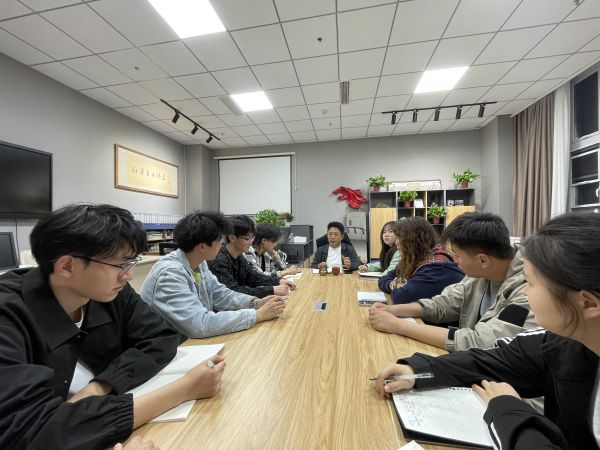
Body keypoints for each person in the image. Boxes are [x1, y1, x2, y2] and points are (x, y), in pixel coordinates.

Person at [0, 204, 225, 449]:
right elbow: (31, 431)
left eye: (131, 263)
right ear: (66, 266)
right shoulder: (9, 315)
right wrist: (183, 390)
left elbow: (163, 336)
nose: (128, 276)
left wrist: (101, 385)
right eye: (121, 265)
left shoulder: (110, 293)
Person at [375, 212, 600, 450]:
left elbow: (482, 343)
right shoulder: (562, 342)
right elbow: (493, 359)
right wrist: (418, 370)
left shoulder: (537, 314)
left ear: (588, 303)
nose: (526, 292)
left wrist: (508, 410)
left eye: (533, 284)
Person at [368, 212, 536, 352]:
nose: (454, 260)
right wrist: (391, 310)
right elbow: (446, 303)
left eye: (457, 255)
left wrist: (399, 326)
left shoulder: (530, 290)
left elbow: (481, 342)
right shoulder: (480, 273)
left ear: (483, 260)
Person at [141, 211, 285, 338]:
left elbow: (220, 294)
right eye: (218, 241)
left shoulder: (199, 263)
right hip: (169, 349)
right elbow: (199, 324)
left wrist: (255, 303)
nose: (221, 245)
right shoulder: (170, 274)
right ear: (202, 246)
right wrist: (256, 315)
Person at [378, 217, 464, 303]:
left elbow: (401, 297)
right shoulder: (414, 258)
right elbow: (383, 279)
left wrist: (395, 286)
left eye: (400, 238)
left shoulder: (437, 266)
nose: (396, 242)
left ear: (414, 240)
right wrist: (394, 285)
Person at [208, 215, 296, 297]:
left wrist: (279, 281)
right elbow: (232, 291)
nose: (251, 242)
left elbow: (254, 277)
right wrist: (271, 290)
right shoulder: (220, 260)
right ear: (232, 238)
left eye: (252, 237)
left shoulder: (239, 257)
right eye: (247, 238)